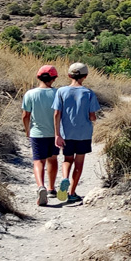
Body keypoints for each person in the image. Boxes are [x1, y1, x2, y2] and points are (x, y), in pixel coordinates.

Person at [53, 62, 100, 204]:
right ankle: (72, 192)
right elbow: (92, 116)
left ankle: (65, 178)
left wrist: (57, 134)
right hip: (84, 133)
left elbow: (56, 113)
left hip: (66, 133)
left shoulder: (61, 91)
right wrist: (93, 118)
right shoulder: (89, 93)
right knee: (79, 163)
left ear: (69, 75)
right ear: (85, 77)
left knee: (67, 160)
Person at [22, 65, 60, 206]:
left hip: (37, 133)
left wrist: (27, 130)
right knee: (53, 159)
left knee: (38, 161)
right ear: (54, 78)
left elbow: (26, 115)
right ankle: (51, 188)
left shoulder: (30, 94)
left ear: (38, 77)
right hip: (54, 133)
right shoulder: (58, 93)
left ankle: (40, 186)